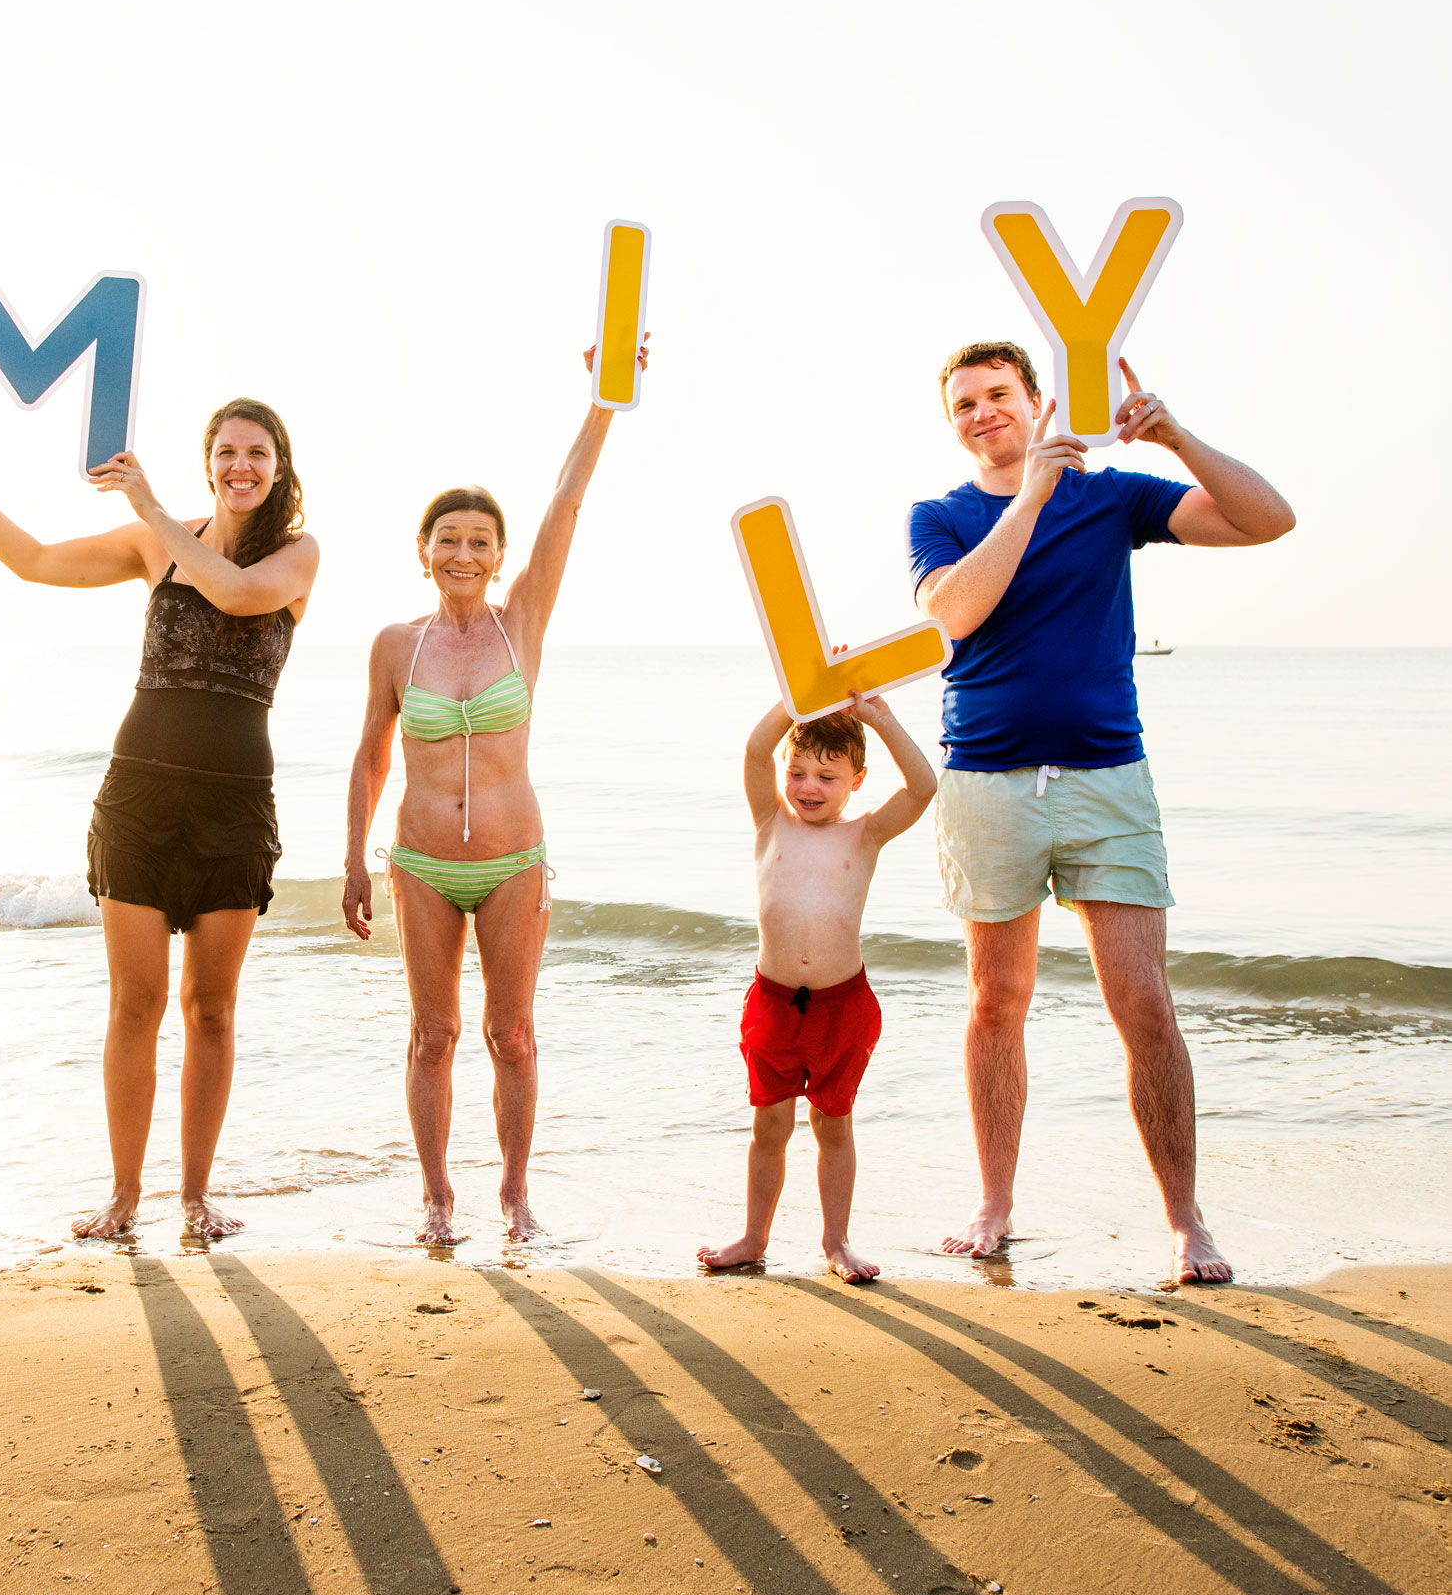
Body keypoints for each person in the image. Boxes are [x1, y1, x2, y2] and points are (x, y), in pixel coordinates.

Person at [912, 343, 1295, 1285]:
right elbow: (955, 612)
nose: (983, 414)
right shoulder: (940, 515)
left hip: (1106, 778)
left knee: (1145, 1005)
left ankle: (1185, 1223)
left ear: (1039, 400)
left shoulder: (1115, 496)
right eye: (965, 404)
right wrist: (1030, 497)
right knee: (996, 1002)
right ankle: (994, 1205)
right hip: (987, 783)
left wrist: (1176, 437)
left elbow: (1267, 521)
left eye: (999, 396)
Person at [0, 400, 318, 1239]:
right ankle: (125, 1197)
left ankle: (196, 1198)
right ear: (210, 462)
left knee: (211, 1009)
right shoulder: (153, 546)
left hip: (234, 802)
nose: (242, 465)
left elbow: (238, 595)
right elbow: (31, 561)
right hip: (137, 794)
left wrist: (155, 509)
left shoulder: (297, 555)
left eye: (258, 454)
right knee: (135, 1005)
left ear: (278, 469)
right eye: (228, 452)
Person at [340, 345, 642, 1244]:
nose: (463, 551)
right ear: (424, 553)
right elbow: (369, 757)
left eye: (479, 540)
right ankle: (436, 1198)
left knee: (512, 1036)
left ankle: (516, 1198)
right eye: (448, 539)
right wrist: (354, 859)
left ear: (499, 555)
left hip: (514, 862)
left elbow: (566, 502)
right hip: (422, 865)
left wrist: (602, 403)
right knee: (433, 1036)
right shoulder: (396, 646)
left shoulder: (523, 624)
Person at [696, 700, 937, 1283]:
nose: (809, 787)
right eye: (798, 772)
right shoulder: (769, 822)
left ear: (856, 780)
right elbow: (756, 748)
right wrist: (797, 699)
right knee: (769, 1127)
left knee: (834, 1124)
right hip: (773, 1004)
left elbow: (924, 786)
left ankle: (836, 1242)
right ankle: (754, 1237)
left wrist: (880, 718)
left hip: (842, 1007)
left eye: (828, 776)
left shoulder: (866, 835)